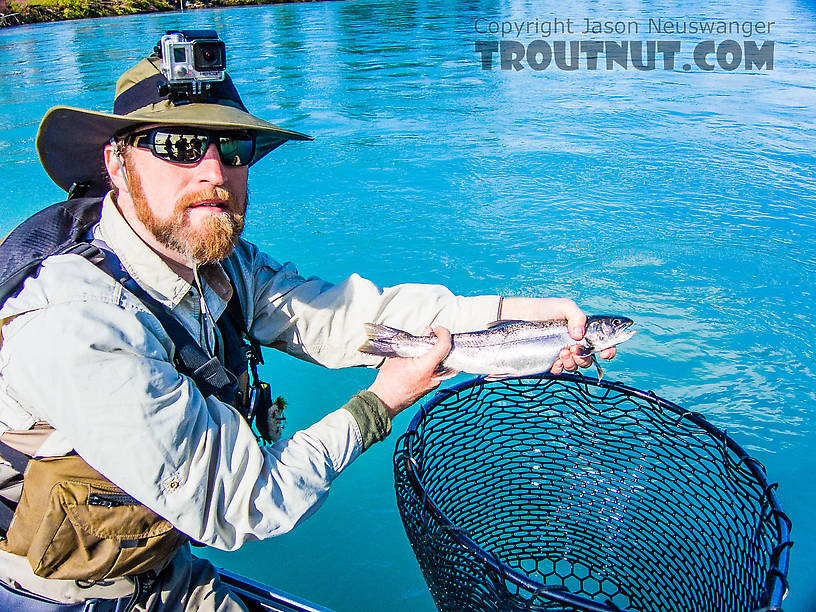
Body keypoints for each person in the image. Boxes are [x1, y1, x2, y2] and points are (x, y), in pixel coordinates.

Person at [0, 50, 615, 611]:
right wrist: (380, 404)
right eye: (181, 144)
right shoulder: (75, 324)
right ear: (116, 160)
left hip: (160, 568)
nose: (214, 171)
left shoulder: (214, 259)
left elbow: (346, 316)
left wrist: (518, 320)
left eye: (234, 147)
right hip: (49, 596)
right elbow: (243, 502)